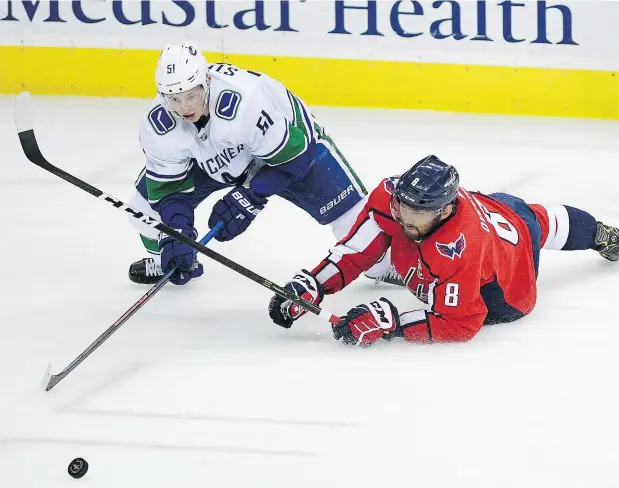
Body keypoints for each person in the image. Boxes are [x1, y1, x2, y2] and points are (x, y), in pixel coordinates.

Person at [268, 155, 619, 346]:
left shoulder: (461, 249)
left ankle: (601, 234)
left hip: (504, 286)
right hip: (496, 208)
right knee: (528, 215)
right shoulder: (396, 200)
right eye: (402, 206)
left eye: (417, 212)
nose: (405, 217)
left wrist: (392, 323)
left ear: (445, 210)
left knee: (536, 224)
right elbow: (357, 250)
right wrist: (312, 284)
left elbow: (461, 324)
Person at [128, 41, 388, 285]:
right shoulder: (157, 126)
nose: (184, 107)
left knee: (361, 235)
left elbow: (295, 157)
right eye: (174, 98)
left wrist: (251, 196)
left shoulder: (244, 103)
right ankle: (174, 261)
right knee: (143, 211)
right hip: (217, 159)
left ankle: (388, 266)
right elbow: (169, 190)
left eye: (191, 96)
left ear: (206, 82)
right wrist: (176, 230)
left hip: (291, 148)